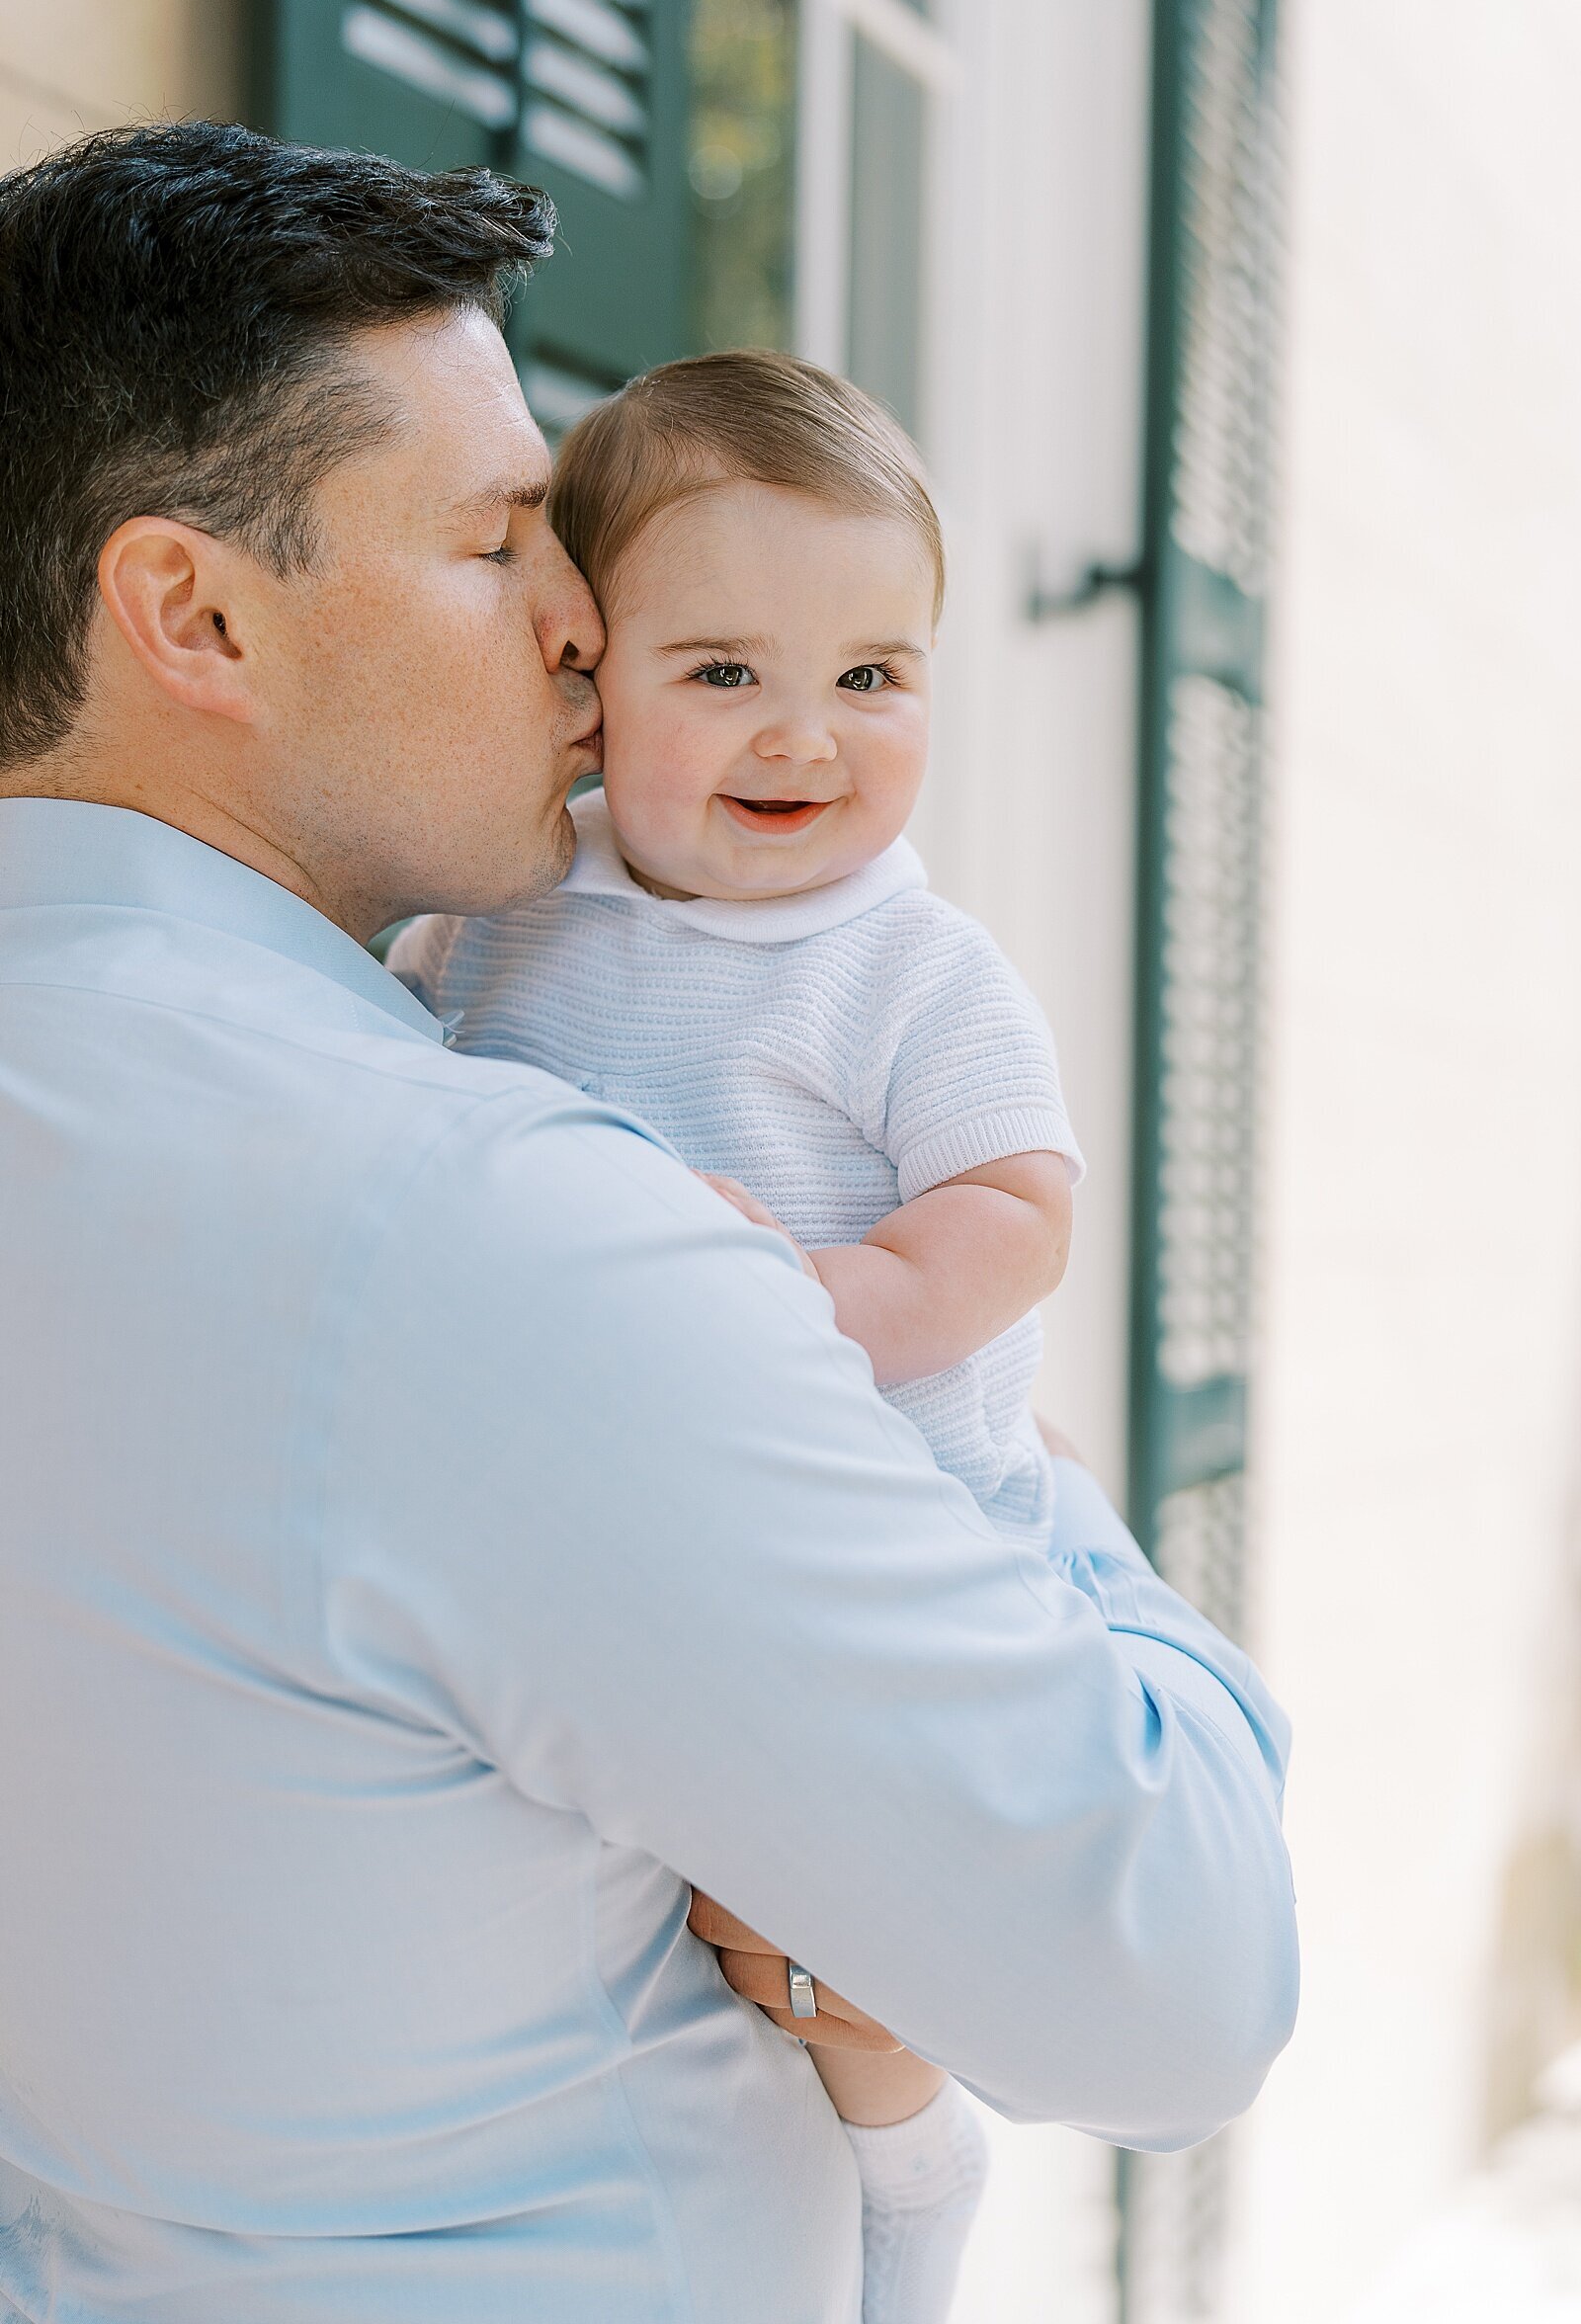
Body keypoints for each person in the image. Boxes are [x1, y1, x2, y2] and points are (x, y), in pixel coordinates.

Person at [0, 123, 1297, 2324]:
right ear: (194, 612)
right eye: (504, 538)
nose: (586, 624)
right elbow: (1173, 1976)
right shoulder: (475, 1236)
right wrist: (1045, 1496)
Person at [391, 350, 1087, 2320]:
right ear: (583, 678)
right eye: (723, 674)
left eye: (873, 676)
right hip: (623, 1528)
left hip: (874, 1536)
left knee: (833, 1938)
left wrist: (823, 1302)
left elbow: (1017, 1215)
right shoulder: (503, 919)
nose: (808, 735)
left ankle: (909, 2166)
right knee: (654, 1904)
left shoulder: (906, 969)